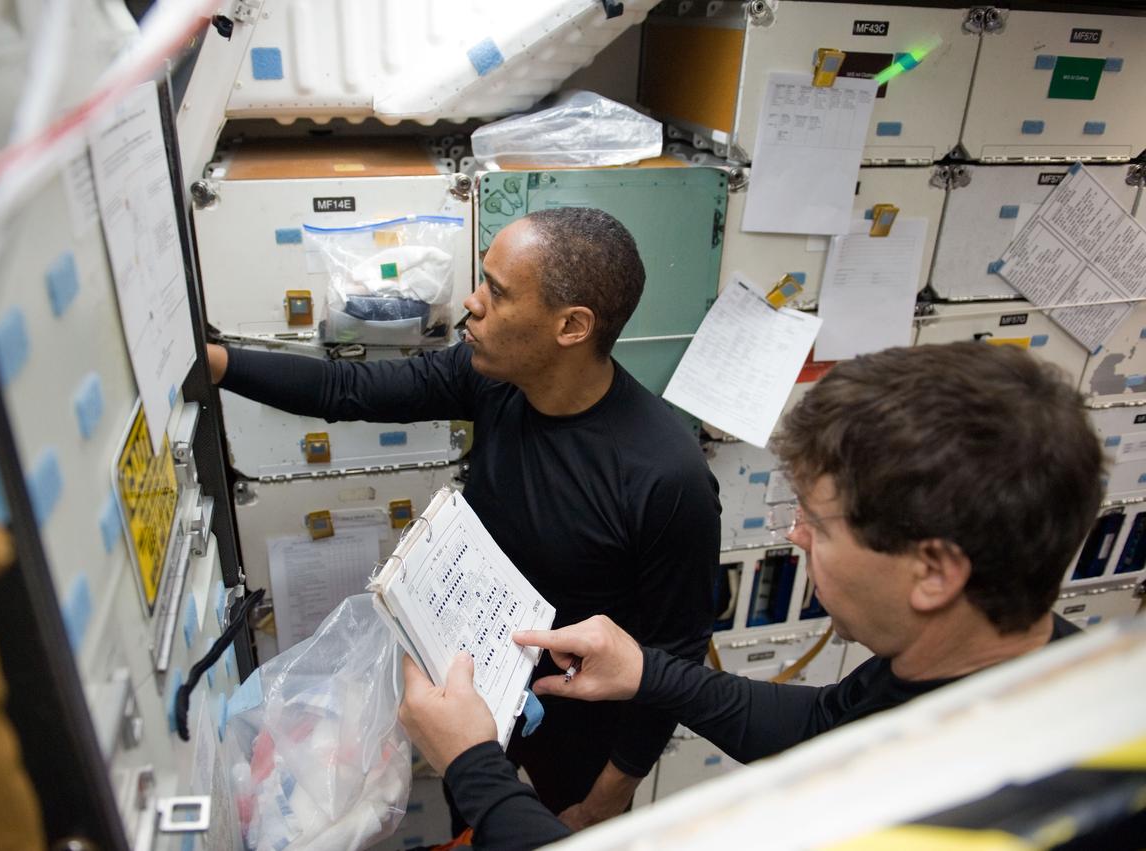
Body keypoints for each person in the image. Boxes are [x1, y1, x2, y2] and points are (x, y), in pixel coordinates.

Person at [399, 340, 1104, 849]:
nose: (795, 535)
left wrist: (473, 763)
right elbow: (824, 723)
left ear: (933, 572)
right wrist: (647, 669)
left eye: (818, 522)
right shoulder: (991, 668)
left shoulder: (961, 809)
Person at [207, 207, 720, 827]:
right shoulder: (494, 379)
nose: (470, 304)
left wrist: (609, 795)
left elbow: (676, 655)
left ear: (572, 326)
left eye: (497, 293)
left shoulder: (666, 477)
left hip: (584, 732)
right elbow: (348, 391)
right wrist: (218, 365)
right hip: (475, 698)